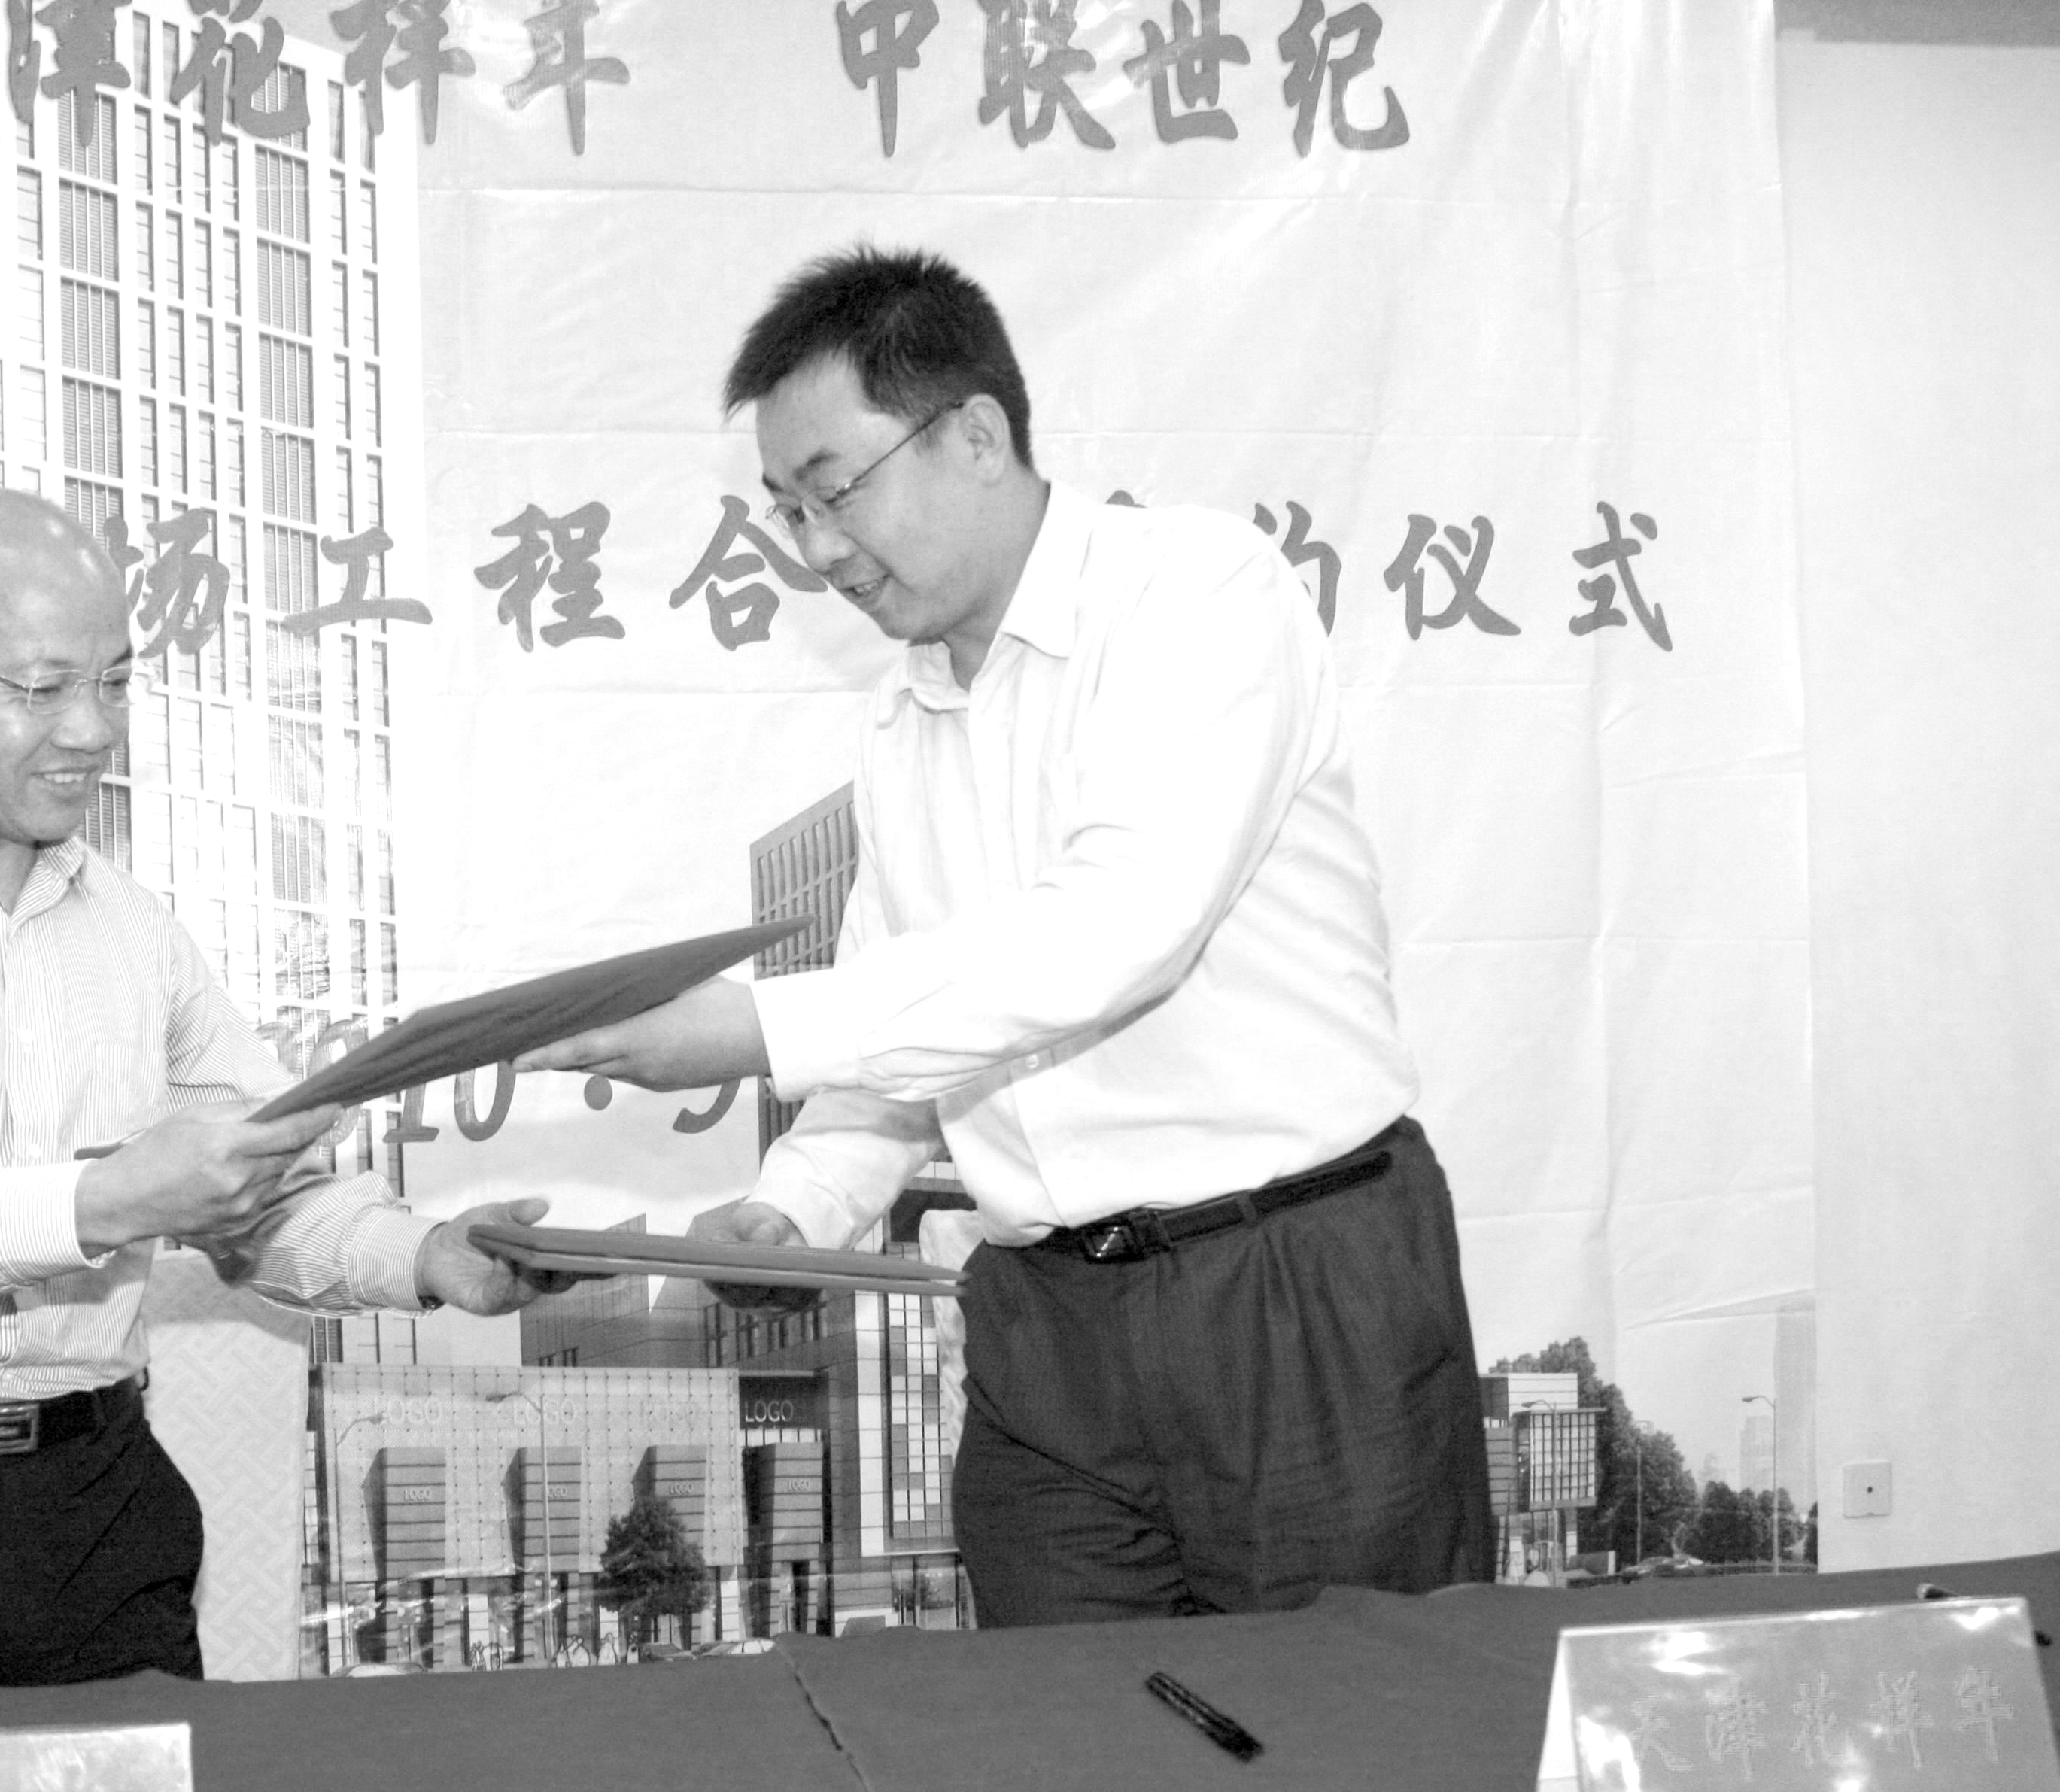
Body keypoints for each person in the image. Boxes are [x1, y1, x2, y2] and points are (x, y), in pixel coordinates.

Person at [523, 247, 1493, 1624]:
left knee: (1351, 1731)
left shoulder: (1196, 596)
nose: (818, 552)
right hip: (1044, 1327)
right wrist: (794, 1207)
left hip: (1292, 1287)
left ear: (977, 435)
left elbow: (1118, 930)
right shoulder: (901, 720)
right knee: (1063, 1737)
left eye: (836, 492)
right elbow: (903, 1026)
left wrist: (753, 1028)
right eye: (788, 512)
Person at [0, 487, 568, 1688]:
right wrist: (109, 1201)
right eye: (41, 689)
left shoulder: (133, 927)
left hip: (94, 1503)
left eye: (117, 682)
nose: (92, 730)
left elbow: (257, 1182)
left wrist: (432, 1258)